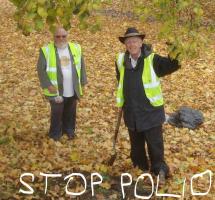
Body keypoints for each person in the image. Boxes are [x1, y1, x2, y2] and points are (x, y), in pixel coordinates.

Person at [115, 27, 180, 183]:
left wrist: (173, 47)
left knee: (155, 145)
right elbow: (120, 80)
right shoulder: (120, 60)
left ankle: (159, 171)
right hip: (131, 112)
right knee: (136, 147)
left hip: (151, 112)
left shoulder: (153, 60)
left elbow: (174, 64)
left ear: (141, 42)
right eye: (128, 41)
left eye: (135, 41)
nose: (132, 44)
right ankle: (140, 169)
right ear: (125, 44)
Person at [37, 27, 87, 141]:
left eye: (63, 36)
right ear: (53, 37)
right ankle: (55, 134)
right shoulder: (46, 50)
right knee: (57, 112)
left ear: (67, 36)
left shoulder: (76, 48)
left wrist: (83, 82)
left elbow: (82, 65)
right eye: (58, 36)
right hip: (55, 89)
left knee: (71, 110)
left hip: (72, 87)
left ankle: (69, 131)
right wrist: (47, 84)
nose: (61, 39)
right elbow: (41, 69)